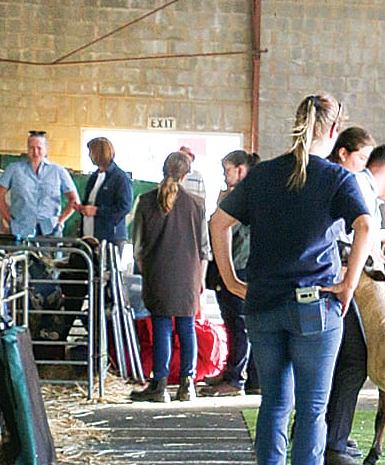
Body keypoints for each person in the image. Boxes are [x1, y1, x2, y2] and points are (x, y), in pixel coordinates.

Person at [210, 91, 371, 465]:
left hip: (263, 304)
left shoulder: (262, 174)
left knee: (274, 404)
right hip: (314, 306)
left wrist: (231, 279)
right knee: (313, 410)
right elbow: (366, 225)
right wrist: (349, 282)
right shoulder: (337, 178)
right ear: (334, 130)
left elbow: (218, 222)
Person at [325, 141, 385, 465]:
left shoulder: (362, 190)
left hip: (337, 279)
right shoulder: (359, 187)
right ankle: (331, 445)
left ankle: (326, 435)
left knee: (337, 359)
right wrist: (369, 273)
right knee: (352, 360)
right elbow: (354, 237)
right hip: (337, 281)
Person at [129, 151, 210, 403]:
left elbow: (137, 248)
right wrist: (200, 279)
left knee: (162, 327)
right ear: (186, 175)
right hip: (189, 276)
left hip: (158, 273)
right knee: (187, 328)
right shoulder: (197, 204)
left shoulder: (145, 201)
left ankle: (160, 385)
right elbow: (204, 249)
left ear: (163, 170)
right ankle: (187, 386)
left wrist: (147, 271)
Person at [204, 150, 257, 395]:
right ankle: (245, 375)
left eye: (227, 170)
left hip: (238, 265)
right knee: (237, 323)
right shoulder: (249, 194)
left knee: (238, 324)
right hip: (239, 264)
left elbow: (224, 228)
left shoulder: (244, 197)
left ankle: (235, 378)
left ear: (241, 169)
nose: (225, 176)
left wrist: (220, 208)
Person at [0, 130, 81, 239]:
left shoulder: (58, 171)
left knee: (50, 251)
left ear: (45, 150)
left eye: (39, 148)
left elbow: (74, 200)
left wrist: (59, 221)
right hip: (21, 230)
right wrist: (10, 221)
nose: (35, 152)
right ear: (27, 149)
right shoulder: (14, 169)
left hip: (51, 230)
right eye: (31, 148)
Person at [79, 137, 134, 250]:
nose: (89, 155)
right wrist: (82, 208)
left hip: (111, 237)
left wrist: (97, 211)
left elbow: (124, 207)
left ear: (99, 153)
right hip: (89, 234)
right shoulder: (94, 177)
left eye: (91, 152)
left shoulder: (120, 178)